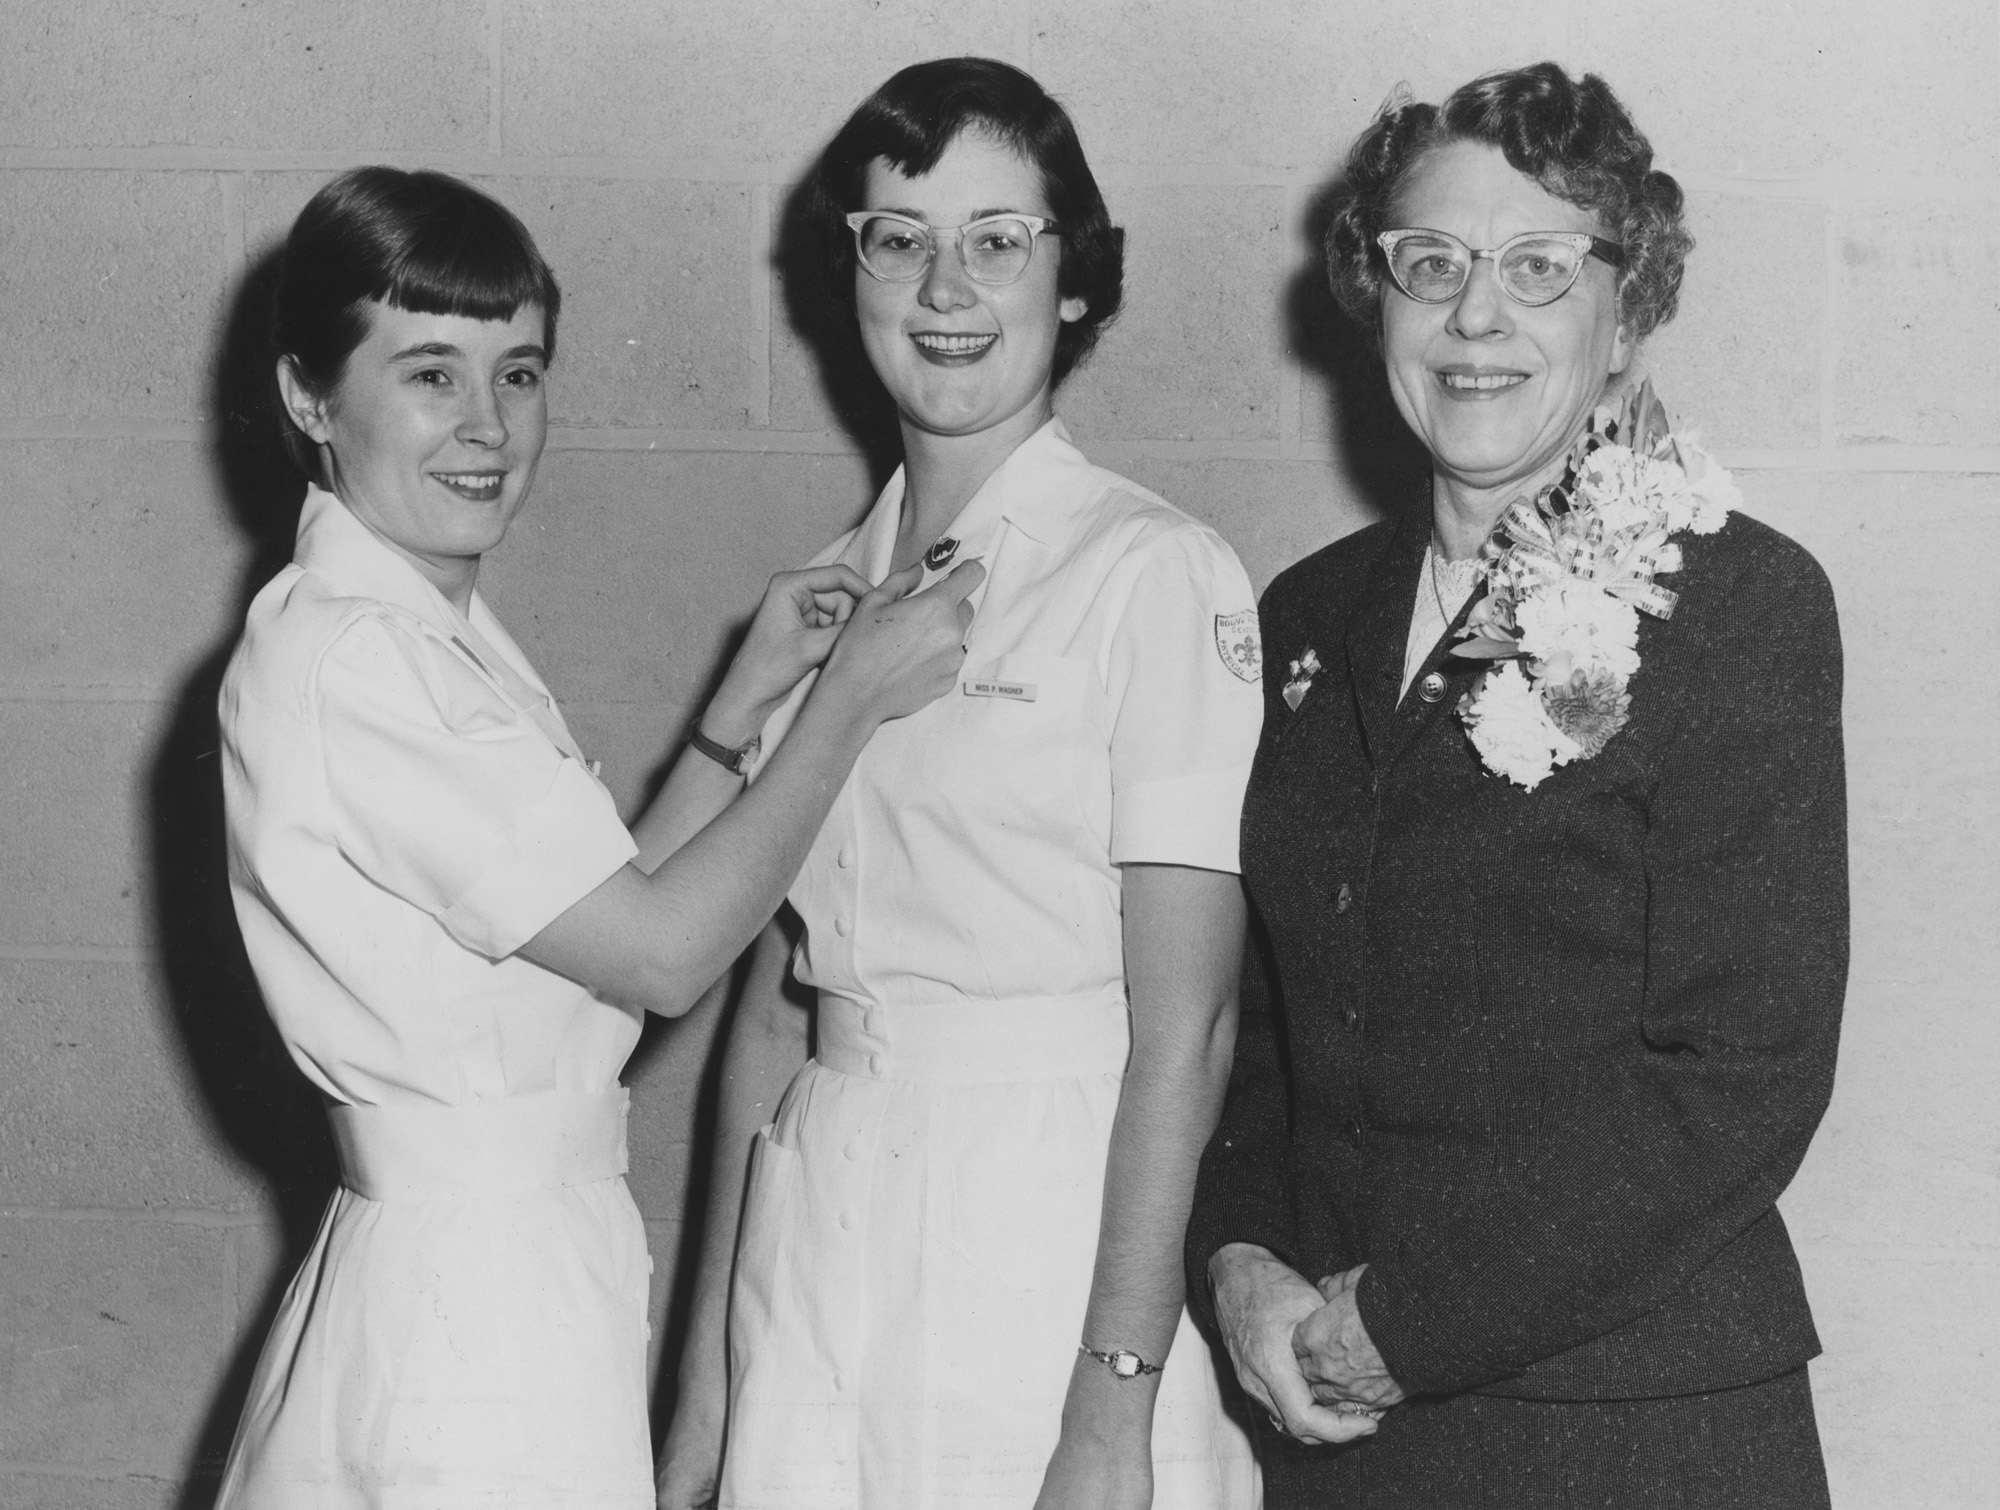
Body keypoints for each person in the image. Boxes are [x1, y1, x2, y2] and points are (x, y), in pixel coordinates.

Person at [213, 165, 979, 1510]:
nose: (488, 426)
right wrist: (848, 701)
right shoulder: (357, 659)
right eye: (430, 374)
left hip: (501, 1268)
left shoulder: (419, 630)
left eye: (518, 373)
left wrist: (739, 713)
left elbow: (597, 920)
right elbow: (664, 956)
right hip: (470, 1306)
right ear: (308, 397)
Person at [1185, 62, 1846, 1508]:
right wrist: (1236, 1258)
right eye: (1431, 264)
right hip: (1341, 1436)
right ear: (1378, 301)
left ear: (1629, 313)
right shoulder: (1307, 616)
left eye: (1540, 266)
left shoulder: (1741, 604)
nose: (1475, 315)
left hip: (1632, 1429)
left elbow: (1745, 1075)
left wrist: (1406, 1326)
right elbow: (1265, 1033)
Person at [657, 58, 1263, 1510]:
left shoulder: (1151, 573)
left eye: (998, 240)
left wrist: (1111, 1409)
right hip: (818, 1229)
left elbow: (1191, 1030)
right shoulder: (822, 599)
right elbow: (773, 1014)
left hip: (1048, 1235)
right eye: (899, 239)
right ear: (851, 274)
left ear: (1074, 281)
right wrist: (706, 1393)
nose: (945, 287)